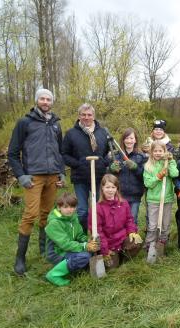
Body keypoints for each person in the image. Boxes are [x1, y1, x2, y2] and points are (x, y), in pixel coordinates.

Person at [8, 88, 65, 276]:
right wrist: (21, 175)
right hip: (33, 177)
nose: (45, 102)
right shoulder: (25, 122)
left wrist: (61, 173)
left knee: (47, 214)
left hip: (52, 177)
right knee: (31, 214)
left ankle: (44, 250)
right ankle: (20, 258)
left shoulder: (56, 124)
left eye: (49, 99)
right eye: (42, 98)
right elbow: (13, 153)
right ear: (36, 100)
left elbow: (60, 151)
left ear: (52, 102)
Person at [62, 103, 109, 232]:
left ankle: (101, 238)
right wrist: (78, 164)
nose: (86, 117)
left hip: (99, 177)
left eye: (89, 115)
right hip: (80, 177)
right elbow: (64, 154)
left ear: (93, 116)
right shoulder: (71, 134)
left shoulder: (103, 132)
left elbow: (109, 153)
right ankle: (83, 238)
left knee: (101, 208)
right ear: (79, 116)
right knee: (82, 210)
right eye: (83, 115)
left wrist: (104, 162)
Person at [45, 193, 100, 286]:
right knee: (84, 256)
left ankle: (76, 266)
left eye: (72, 207)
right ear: (59, 207)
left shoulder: (73, 217)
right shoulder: (54, 223)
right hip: (57, 252)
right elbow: (65, 244)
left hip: (69, 248)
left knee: (96, 248)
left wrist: (88, 240)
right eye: (66, 207)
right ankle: (54, 274)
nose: (70, 210)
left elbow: (79, 235)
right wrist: (85, 246)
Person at [91, 174, 143, 269]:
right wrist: (105, 250)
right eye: (107, 187)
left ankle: (123, 258)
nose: (110, 190)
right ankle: (114, 258)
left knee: (136, 242)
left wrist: (132, 231)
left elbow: (129, 220)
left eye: (113, 187)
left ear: (117, 188)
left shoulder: (123, 203)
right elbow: (98, 232)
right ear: (102, 188)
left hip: (121, 239)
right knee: (112, 268)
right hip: (108, 243)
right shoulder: (97, 208)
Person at [143, 141, 179, 250]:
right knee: (153, 224)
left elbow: (175, 174)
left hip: (166, 198)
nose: (158, 153)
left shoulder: (167, 163)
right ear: (151, 152)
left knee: (165, 224)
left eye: (160, 151)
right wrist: (159, 176)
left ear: (164, 152)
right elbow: (148, 183)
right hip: (153, 199)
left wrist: (171, 161)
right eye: (155, 151)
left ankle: (163, 244)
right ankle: (150, 244)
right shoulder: (148, 166)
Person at [108, 128, 147, 224]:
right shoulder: (116, 156)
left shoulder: (141, 157)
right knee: (119, 219)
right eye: (127, 138)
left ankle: (132, 238)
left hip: (135, 195)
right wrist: (111, 169)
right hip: (119, 194)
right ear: (123, 140)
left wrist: (135, 167)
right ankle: (120, 238)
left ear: (135, 140)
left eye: (131, 138)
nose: (129, 141)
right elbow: (109, 176)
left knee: (132, 219)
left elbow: (144, 176)